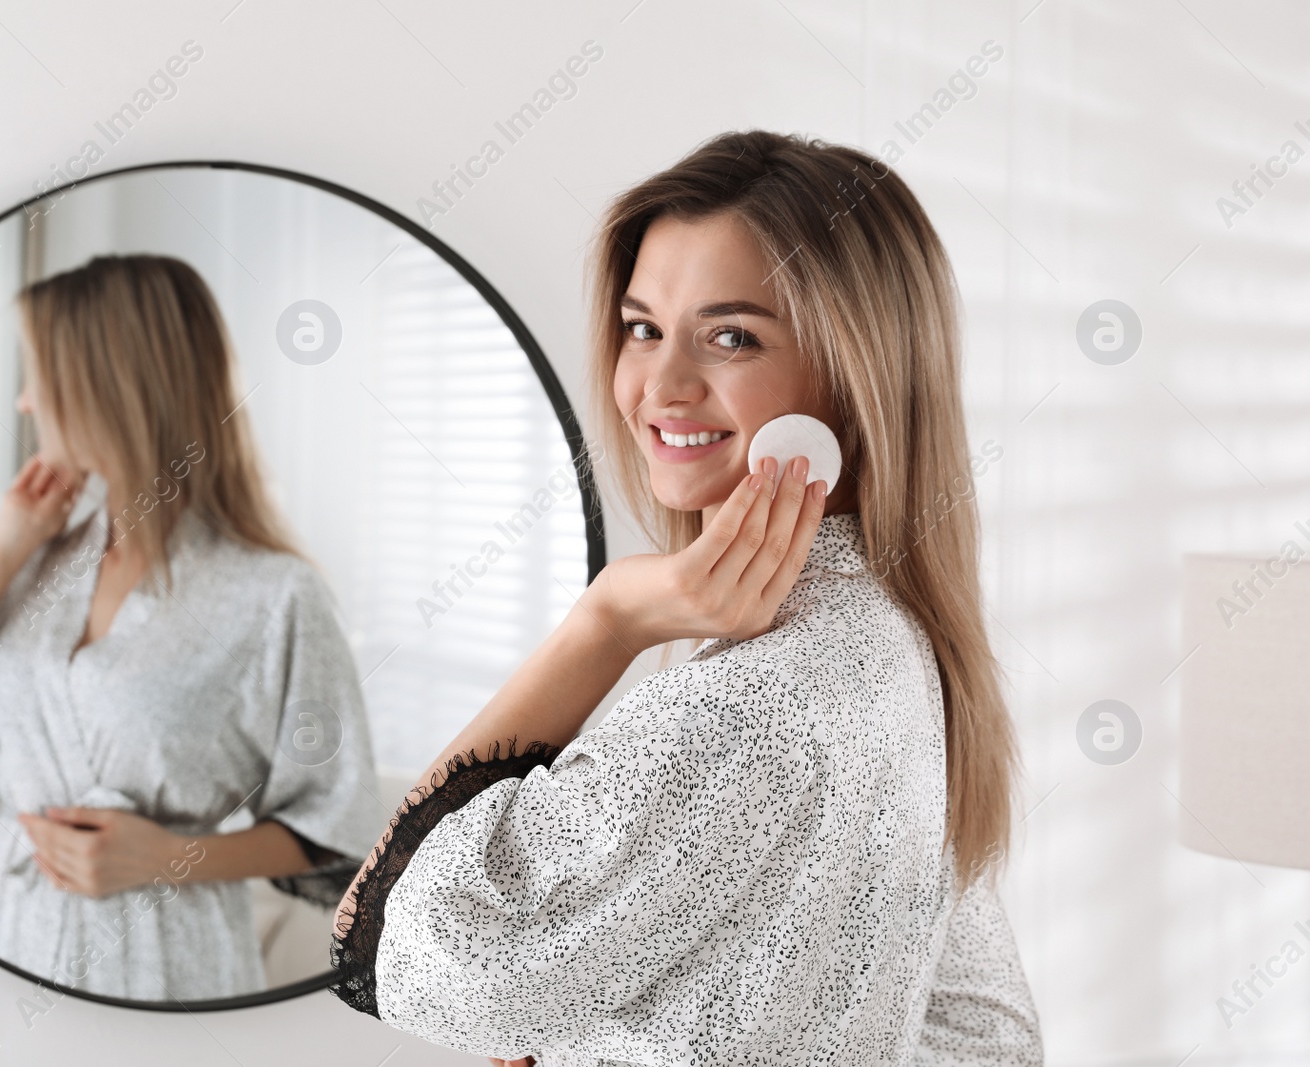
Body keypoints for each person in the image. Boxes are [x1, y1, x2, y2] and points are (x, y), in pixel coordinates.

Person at [327, 131, 1044, 1064]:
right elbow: (989, 1039)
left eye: (731, 336)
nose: (659, 387)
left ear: (859, 372)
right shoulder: (895, 643)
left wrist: (606, 620)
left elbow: (372, 949)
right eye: (642, 328)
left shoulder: (745, 707)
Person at [0, 253, 386, 1001]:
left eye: (37, 373)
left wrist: (168, 856)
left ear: (105, 383)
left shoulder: (277, 594)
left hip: (162, 962)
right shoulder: (39, 561)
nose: (22, 401)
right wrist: (3, 544)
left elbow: (337, 833)